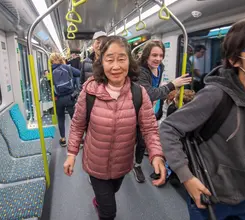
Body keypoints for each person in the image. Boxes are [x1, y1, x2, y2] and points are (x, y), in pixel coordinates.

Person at [160, 15, 245, 219]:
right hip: (209, 195)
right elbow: (169, 128)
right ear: (234, 59)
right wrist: (186, 177)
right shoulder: (216, 95)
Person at [63, 36, 166, 220]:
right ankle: (103, 206)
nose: (116, 66)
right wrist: (71, 154)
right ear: (101, 62)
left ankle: (100, 201)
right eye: (110, 60)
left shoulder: (138, 93)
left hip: (122, 162)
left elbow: (149, 128)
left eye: (121, 59)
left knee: (113, 189)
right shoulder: (90, 91)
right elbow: (78, 125)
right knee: (109, 212)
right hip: (95, 162)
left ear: (130, 61)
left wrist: (156, 154)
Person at [133, 40, 192, 183]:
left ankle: (137, 165)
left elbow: (154, 90)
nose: (158, 59)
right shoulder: (141, 71)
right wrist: (172, 85)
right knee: (132, 138)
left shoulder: (160, 67)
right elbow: (150, 93)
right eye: (154, 55)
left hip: (149, 107)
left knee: (142, 139)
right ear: (146, 55)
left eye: (161, 55)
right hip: (135, 107)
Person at [50, 53, 81, 147]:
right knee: (74, 119)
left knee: (61, 118)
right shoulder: (67, 68)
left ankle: (63, 139)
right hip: (70, 97)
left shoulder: (50, 71)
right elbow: (79, 73)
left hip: (58, 99)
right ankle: (78, 141)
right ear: (60, 59)